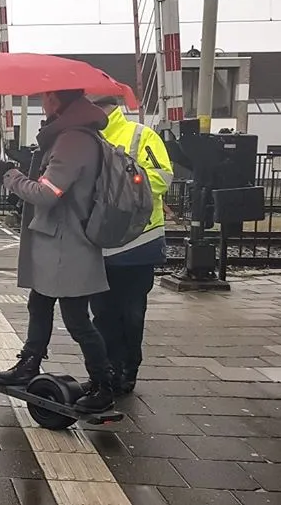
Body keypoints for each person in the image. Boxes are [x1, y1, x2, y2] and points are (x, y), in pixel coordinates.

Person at [0, 89, 115, 413]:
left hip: (67, 244)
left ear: (58, 101)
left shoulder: (73, 140)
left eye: (46, 96)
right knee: (40, 302)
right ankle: (29, 363)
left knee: (76, 319)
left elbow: (48, 194)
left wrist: (11, 177)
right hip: (59, 240)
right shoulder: (68, 136)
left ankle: (103, 384)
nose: (42, 101)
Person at [90, 96, 173, 396]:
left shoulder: (140, 135)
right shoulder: (88, 138)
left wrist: (122, 182)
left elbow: (162, 177)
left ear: (103, 106)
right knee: (101, 312)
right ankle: (108, 368)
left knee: (131, 310)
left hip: (138, 238)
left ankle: (127, 368)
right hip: (100, 241)